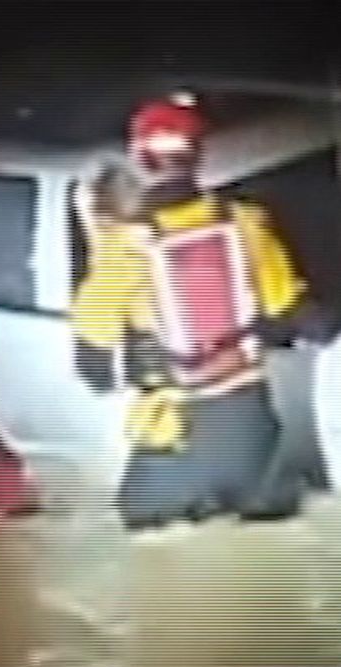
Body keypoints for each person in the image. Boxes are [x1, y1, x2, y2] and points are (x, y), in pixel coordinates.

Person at [69, 92, 313, 533]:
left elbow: (93, 340)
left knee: (144, 531)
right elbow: (285, 309)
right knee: (268, 532)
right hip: (248, 414)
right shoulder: (246, 222)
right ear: (198, 155)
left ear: (140, 158)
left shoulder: (127, 245)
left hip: (180, 421)